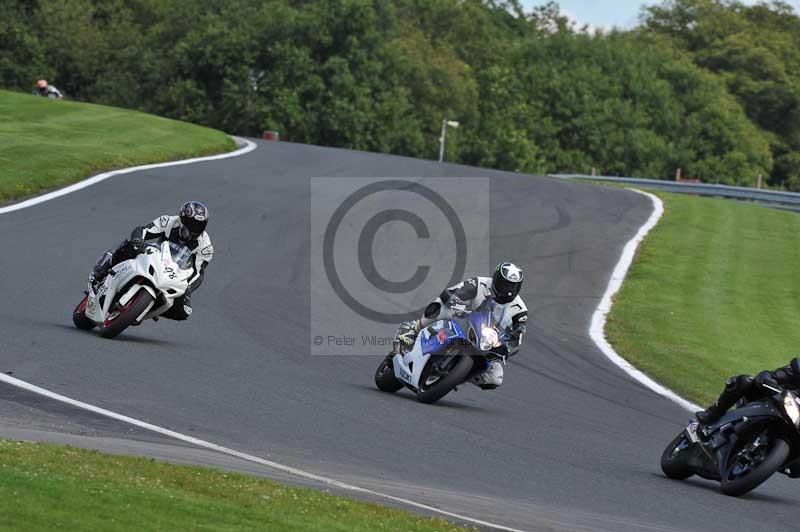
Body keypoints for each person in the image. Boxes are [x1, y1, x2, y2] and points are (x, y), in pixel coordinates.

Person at [390, 261, 528, 389]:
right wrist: (458, 303)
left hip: (487, 342)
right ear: (496, 279)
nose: (508, 290)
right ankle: (414, 330)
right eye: (505, 284)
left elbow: (517, 337)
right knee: (441, 305)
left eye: (513, 286)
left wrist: (505, 349)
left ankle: (458, 375)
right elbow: (451, 292)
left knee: (495, 378)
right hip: (466, 318)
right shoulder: (480, 283)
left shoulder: (520, 310)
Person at [90, 201, 213, 321]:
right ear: (182, 219)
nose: (195, 229)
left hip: (176, 272)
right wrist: (138, 240)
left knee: (184, 312)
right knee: (130, 246)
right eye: (192, 223)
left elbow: (198, 272)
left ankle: (150, 307)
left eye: (199, 225)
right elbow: (143, 230)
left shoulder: (205, 246)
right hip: (156, 255)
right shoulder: (168, 221)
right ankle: (102, 270)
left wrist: (188, 287)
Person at [696, 358, 800, 425]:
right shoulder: (797, 370)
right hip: (772, 403)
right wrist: (771, 384)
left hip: (794, 426)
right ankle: (713, 413)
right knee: (745, 381)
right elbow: (767, 375)